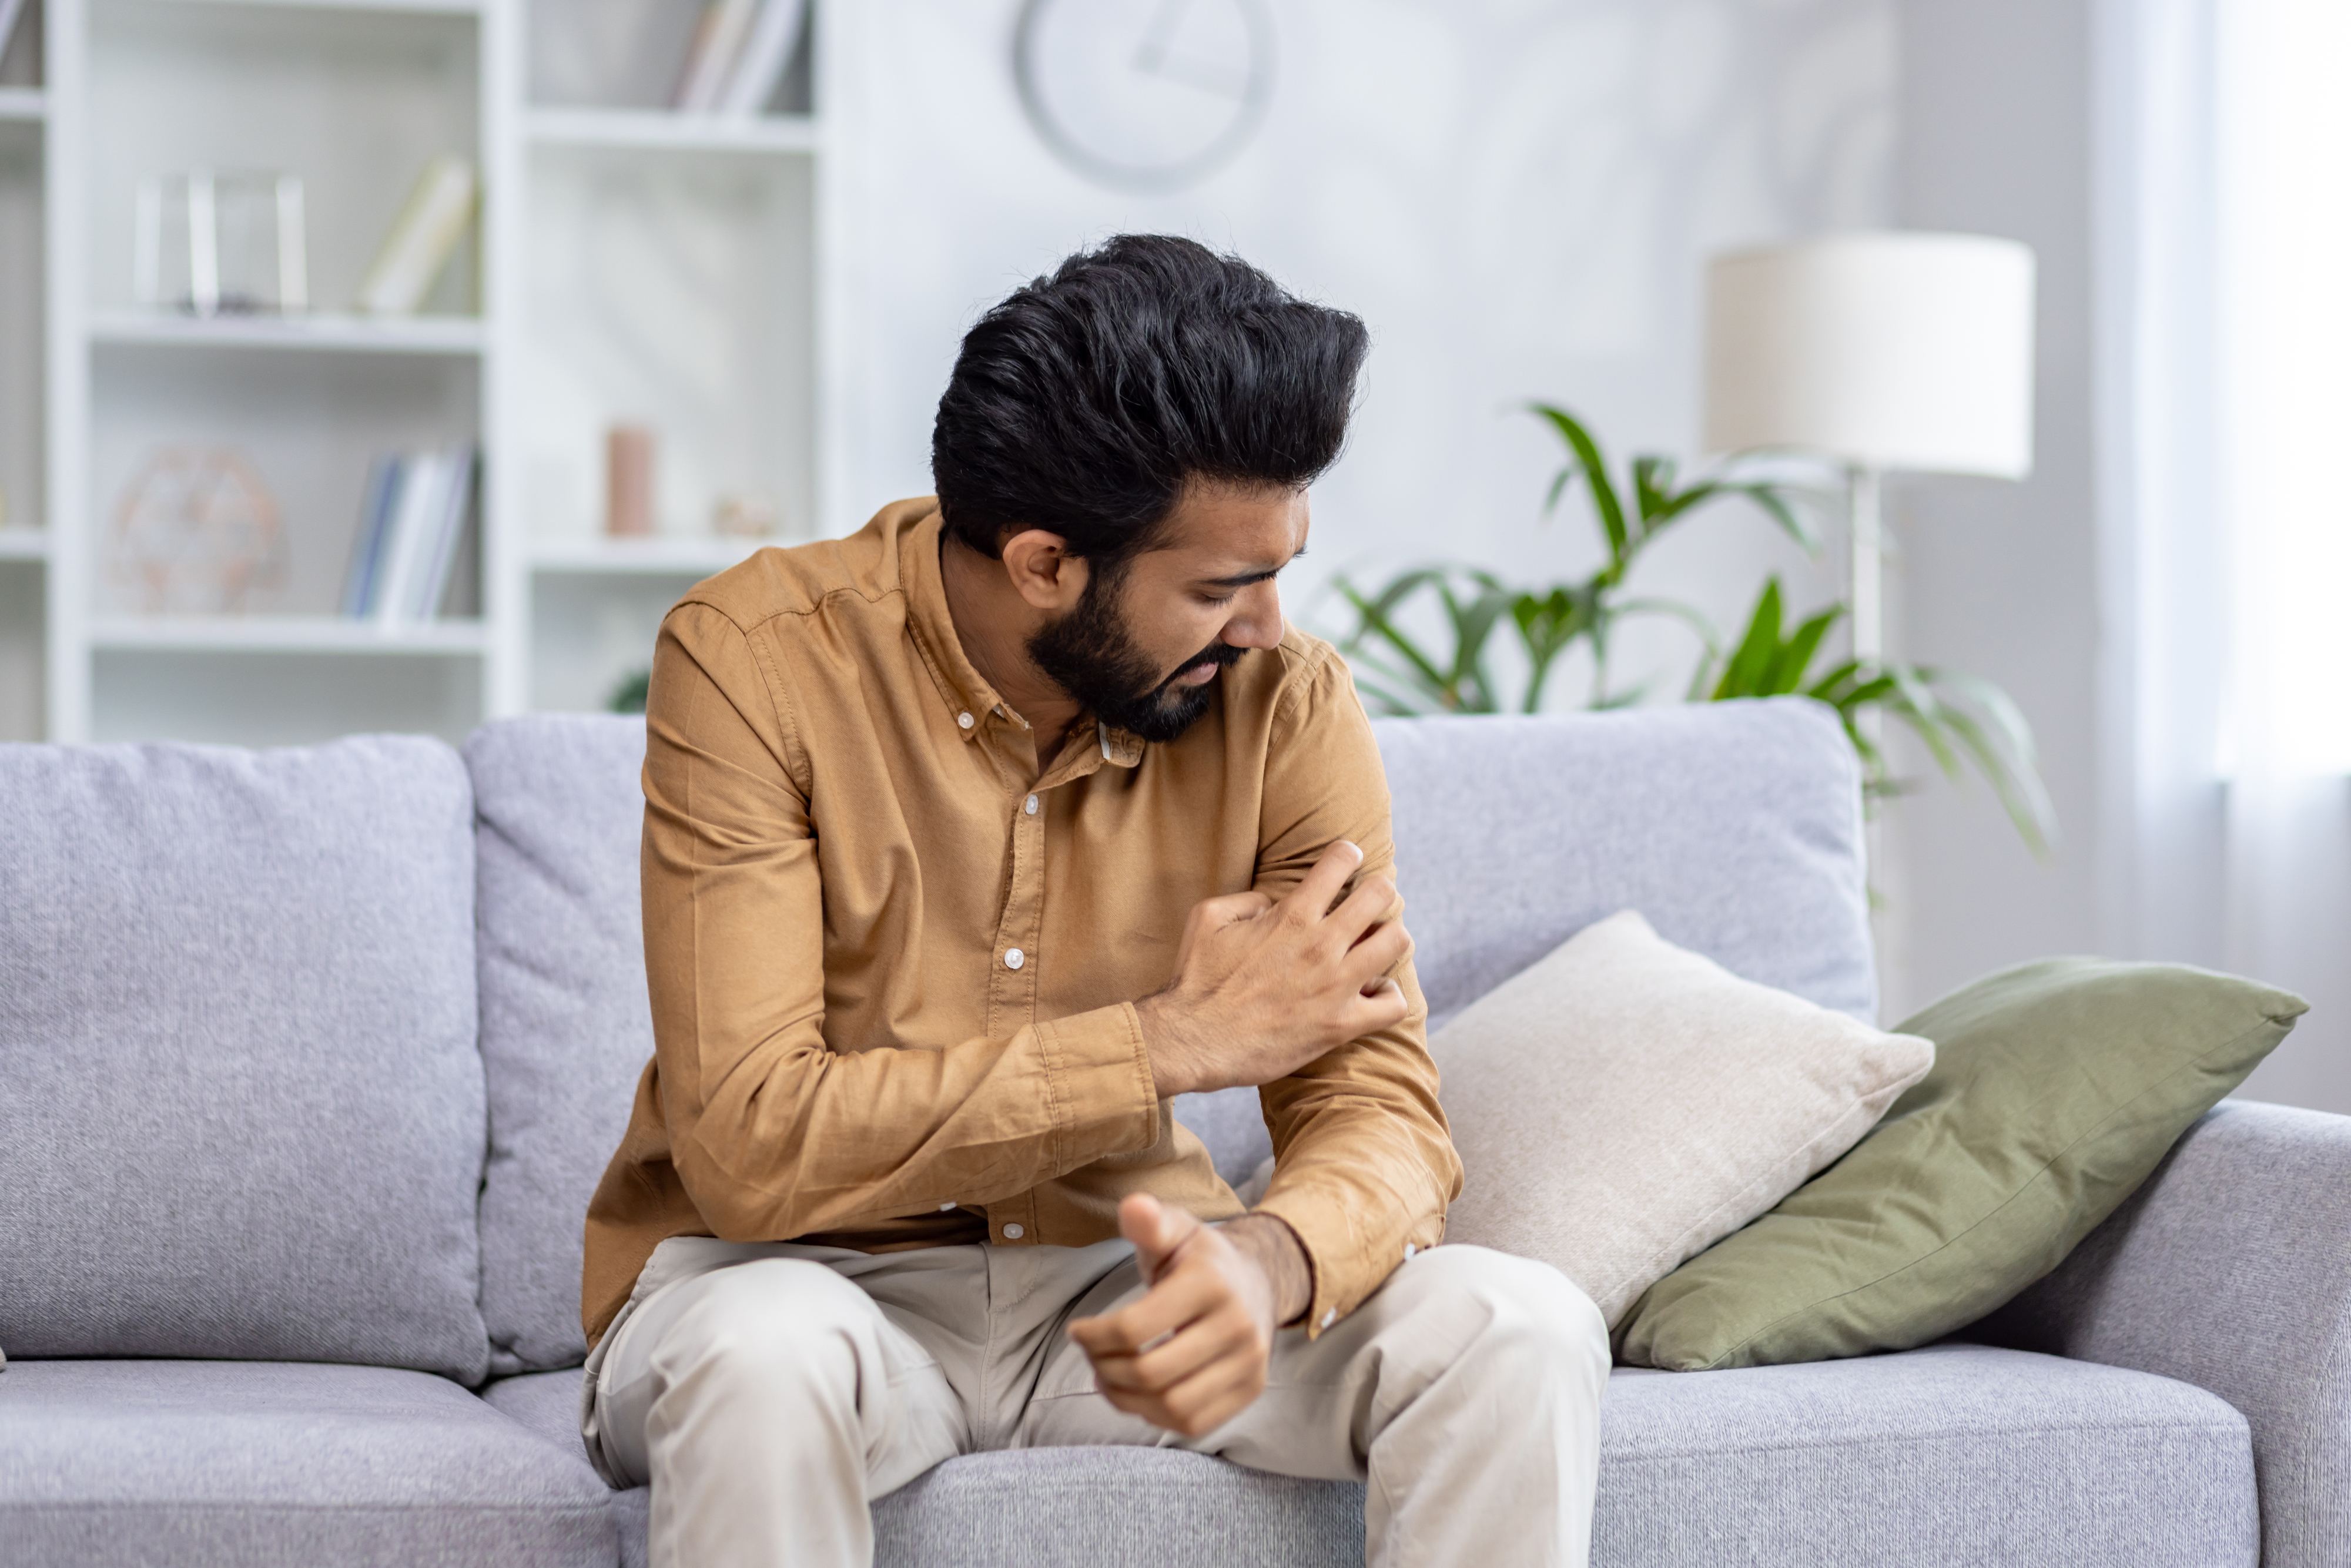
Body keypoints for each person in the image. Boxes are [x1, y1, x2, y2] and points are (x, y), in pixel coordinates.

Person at [577, 234, 1609, 1568]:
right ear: (1045, 564)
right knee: (758, 1356)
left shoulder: (1286, 702)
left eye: (1281, 568)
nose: (1268, 626)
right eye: (1220, 587)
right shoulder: (755, 662)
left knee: (1514, 1326)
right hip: (797, 1281)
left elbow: (1377, 1104)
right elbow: (752, 1146)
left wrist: (1270, 1258)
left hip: (1125, 1283)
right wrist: (1165, 1042)